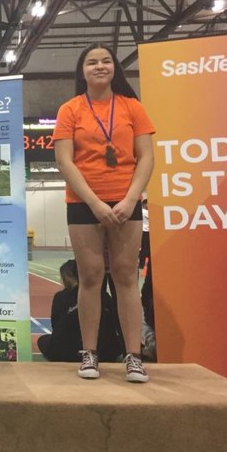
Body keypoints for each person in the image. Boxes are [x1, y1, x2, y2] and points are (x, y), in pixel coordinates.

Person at [53, 43, 155, 382]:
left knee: (126, 277)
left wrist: (129, 200)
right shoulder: (70, 109)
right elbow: (65, 161)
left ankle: (134, 356)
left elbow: (146, 158)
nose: (99, 66)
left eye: (106, 61)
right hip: (84, 204)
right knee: (91, 278)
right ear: (82, 71)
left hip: (126, 203)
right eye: (92, 62)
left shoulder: (132, 107)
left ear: (115, 68)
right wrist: (95, 203)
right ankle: (90, 354)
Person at [36, 259, 124, 362]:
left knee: (43, 340)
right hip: (104, 353)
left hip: (65, 353)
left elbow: (55, 326)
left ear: (66, 277)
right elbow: (112, 323)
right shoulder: (103, 295)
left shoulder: (60, 297)